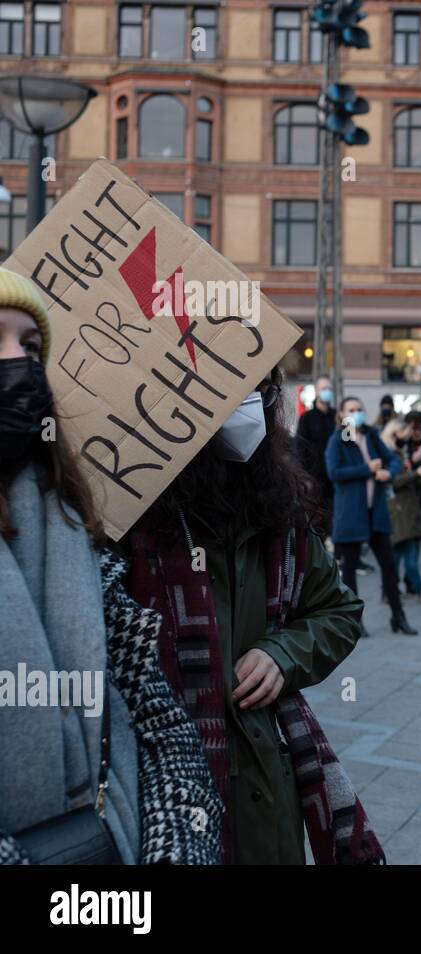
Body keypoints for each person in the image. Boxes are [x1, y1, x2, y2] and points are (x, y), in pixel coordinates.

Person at [0, 270, 223, 866]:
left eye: (30, 346)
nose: (17, 362)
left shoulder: (72, 527)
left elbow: (159, 723)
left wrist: (175, 852)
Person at [120, 364, 374, 865]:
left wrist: (283, 654)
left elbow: (338, 609)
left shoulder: (279, 505)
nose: (249, 405)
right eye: (231, 388)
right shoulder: (131, 516)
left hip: (267, 790)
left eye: (260, 389)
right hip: (167, 786)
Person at [327, 396, 417, 636]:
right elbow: (334, 472)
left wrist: (389, 473)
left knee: (389, 566)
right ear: (341, 415)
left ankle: (398, 617)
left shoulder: (371, 434)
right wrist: (366, 469)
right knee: (350, 570)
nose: (356, 413)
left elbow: (393, 459)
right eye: (351, 409)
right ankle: (354, 622)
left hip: (375, 512)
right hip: (351, 514)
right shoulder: (338, 439)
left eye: (359, 409)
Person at [382, 411, 421, 606]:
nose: (407, 438)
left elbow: (411, 482)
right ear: (394, 435)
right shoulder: (388, 456)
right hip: (399, 511)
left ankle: (390, 590)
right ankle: (417, 589)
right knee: (407, 555)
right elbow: (392, 481)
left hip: (409, 509)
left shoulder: (400, 454)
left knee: (401, 554)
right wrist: (416, 473)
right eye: (404, 435)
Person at [295, 376, 337, 536]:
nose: (327, 392)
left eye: (329, 388)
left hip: (337, 480)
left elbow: (350, 441)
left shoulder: (339, 417)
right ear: (316, 391)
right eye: (323, 389)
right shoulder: (307, 418)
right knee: (318, 524)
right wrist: (304, 477)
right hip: (316, 480)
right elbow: (299, 449)